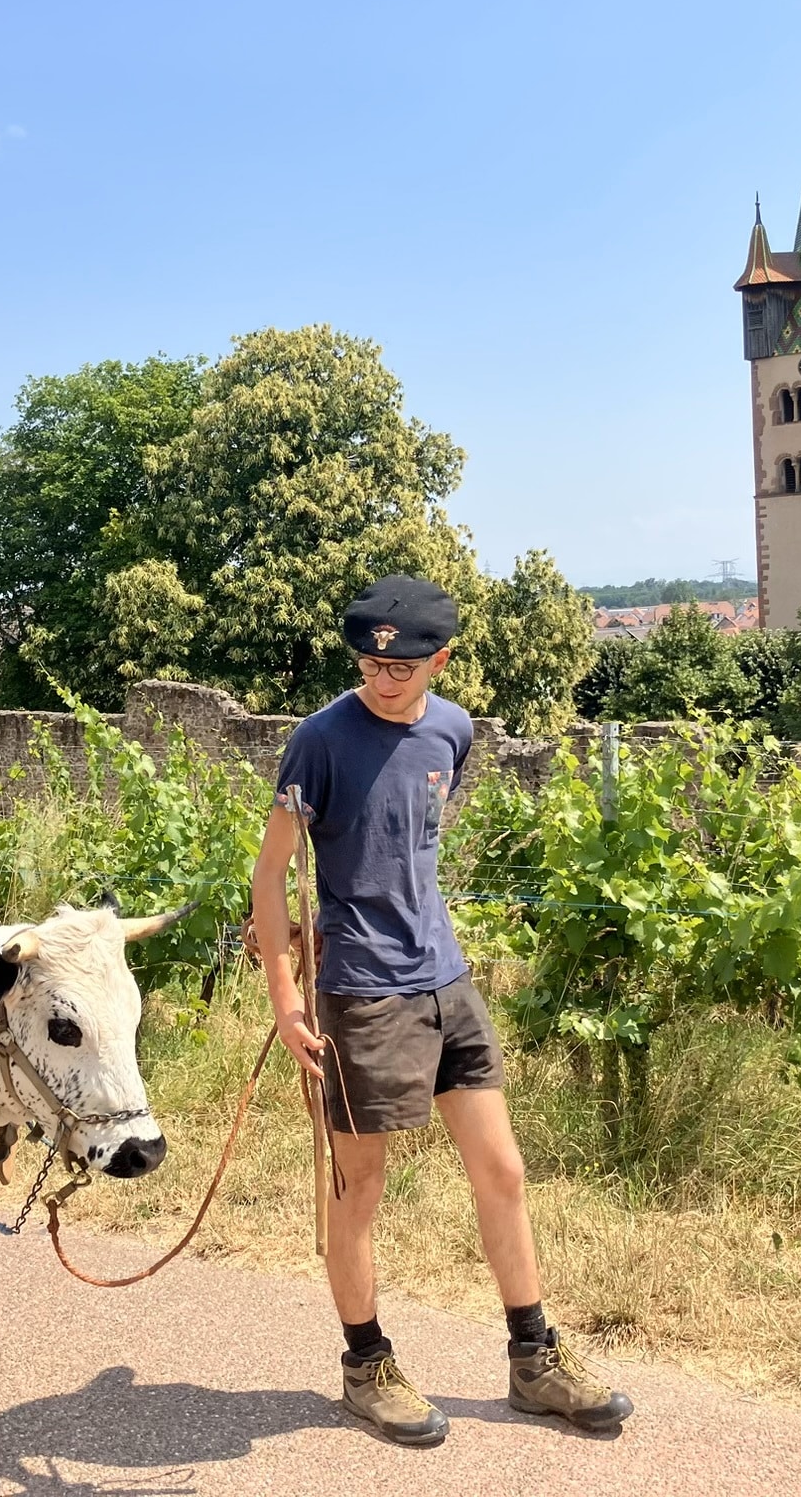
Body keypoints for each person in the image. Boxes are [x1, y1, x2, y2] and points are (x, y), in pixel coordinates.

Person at [250, 574, 634, 1447]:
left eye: (404, 666)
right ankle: (364, 1366)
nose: (384, 679)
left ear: (440, 661)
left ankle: (534, 1359)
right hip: (361, 992)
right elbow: (271, 873)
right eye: (369, 665)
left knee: (503, 1171)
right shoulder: (319, 740)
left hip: (445, 979)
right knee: (359, 1189)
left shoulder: (452, 731)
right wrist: (284, 995)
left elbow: (413, 840)